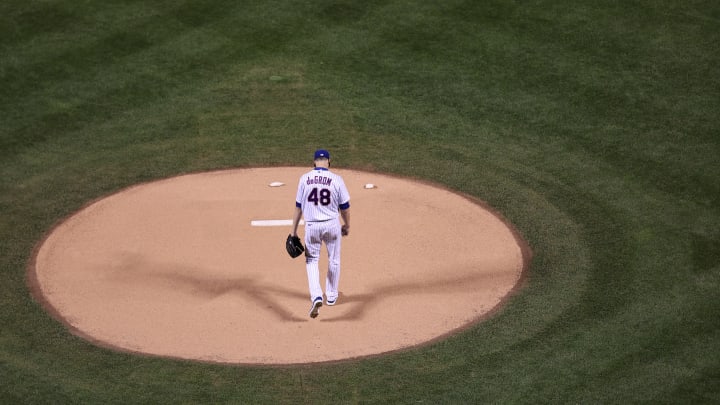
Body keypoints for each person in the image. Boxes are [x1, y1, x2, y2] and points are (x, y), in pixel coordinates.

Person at [291, 149, 351, 318]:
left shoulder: (304, 179)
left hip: (312, 227)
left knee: (311, 261)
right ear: (329, 162)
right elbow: (345, 208)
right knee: (334, 259)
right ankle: (331, 296)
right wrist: (346, 225)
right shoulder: (337, 180)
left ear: (314, 162)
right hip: (332, 226)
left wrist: (293, 232)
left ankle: (316, 295)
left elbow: (298, 208)